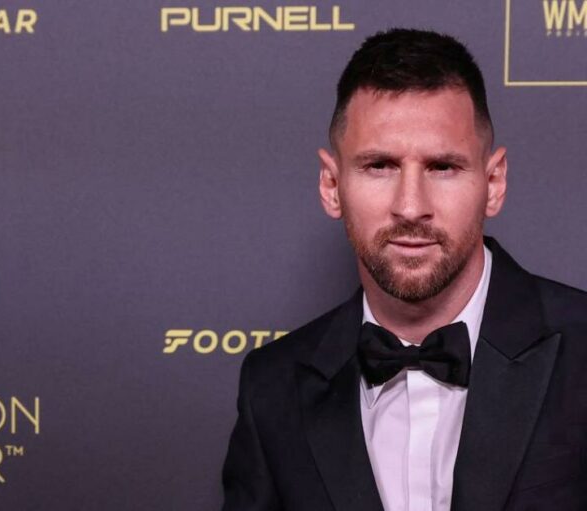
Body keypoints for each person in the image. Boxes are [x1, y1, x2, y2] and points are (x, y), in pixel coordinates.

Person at [221, 28, 587, 511]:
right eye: (379, 166)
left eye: (442, 167)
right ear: (331, 186)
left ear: (494, 183)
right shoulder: (272, 387)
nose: (411, 207)